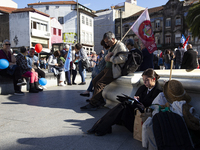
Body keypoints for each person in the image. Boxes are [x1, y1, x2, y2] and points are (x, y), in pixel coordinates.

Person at [87, 68, 162, 136]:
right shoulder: (143, 88)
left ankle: (100, 126)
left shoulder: (158, 92)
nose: (144, 82)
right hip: (136, 112)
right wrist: (136, 99)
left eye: (147, 80)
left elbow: (155, 108)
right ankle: (101, 126)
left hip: (143, 117)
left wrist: (142, 105)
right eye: (143, 80)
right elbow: (137, 98)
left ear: (153, 79)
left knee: (122, 106)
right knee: (122, 105)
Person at [80, 31, 128, 110]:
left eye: (107, 42)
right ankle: (100, 100)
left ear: (112, 39)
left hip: (113, 69)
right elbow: (107, 58)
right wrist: (107, 57)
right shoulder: (112, 46)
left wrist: (111, 58)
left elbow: (124, 58)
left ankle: (94, 103)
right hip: (107, 68)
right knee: (95, 81)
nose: (107, 44)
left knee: (100, 84)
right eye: (106, 42)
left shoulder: (120, 46)